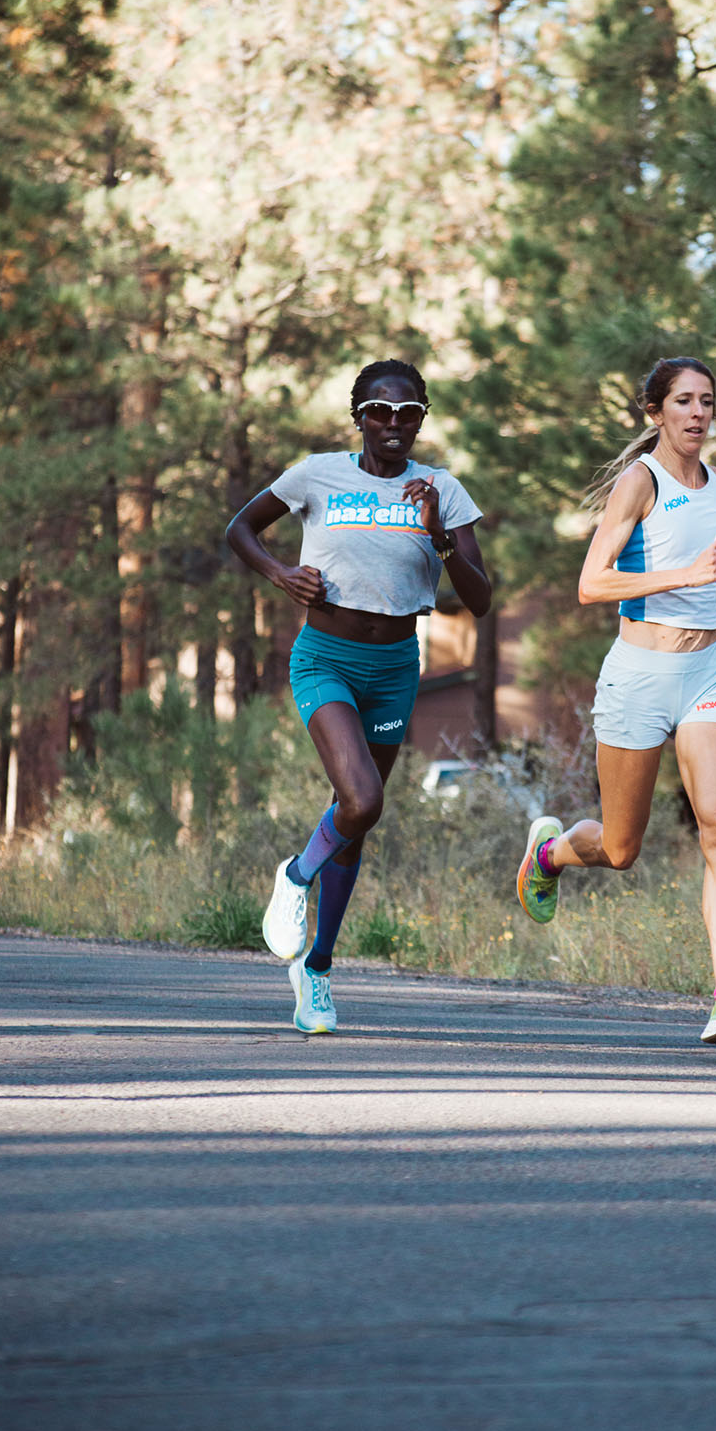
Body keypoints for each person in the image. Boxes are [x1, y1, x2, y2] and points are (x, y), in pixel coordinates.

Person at [516, 356, 716, 1047]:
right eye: (685, 402)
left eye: (708, 402)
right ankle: (550, 853)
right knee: (620, 846)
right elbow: (591, 583)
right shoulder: (641, 483)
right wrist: (687, 573)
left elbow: (712, 550)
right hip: (638, 673)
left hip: (705, 673)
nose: (699, 413)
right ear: (656, 412)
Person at [226, 358, 491, 1034]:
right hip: (326, 659)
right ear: (359, 416)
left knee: (358, 819)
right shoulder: (317, 473)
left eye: (408, 414)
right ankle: (294, 876)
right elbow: (240, 530)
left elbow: (481, 599)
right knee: (362, 798)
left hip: (396, 665)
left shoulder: (443, 489)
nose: (393, 425)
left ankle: (316, 969)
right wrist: (284, 575)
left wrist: (437, 532)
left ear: (421, 419)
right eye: (380, 411)